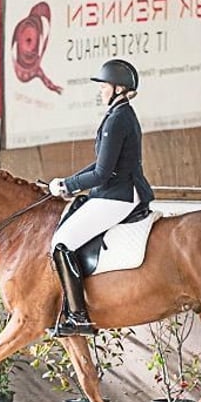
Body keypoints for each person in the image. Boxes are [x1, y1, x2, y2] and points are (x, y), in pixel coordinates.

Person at [46, 58, 155, 337]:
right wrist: (67, 182)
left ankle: (78, 315)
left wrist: (68, 186)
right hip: (118, 191)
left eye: (104, 86)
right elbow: (99, 165)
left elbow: (103, 173)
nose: (101, 91)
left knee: (61, 242)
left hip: (117, 196)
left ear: (118, 88)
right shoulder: (120, 115)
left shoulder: (118, 119)